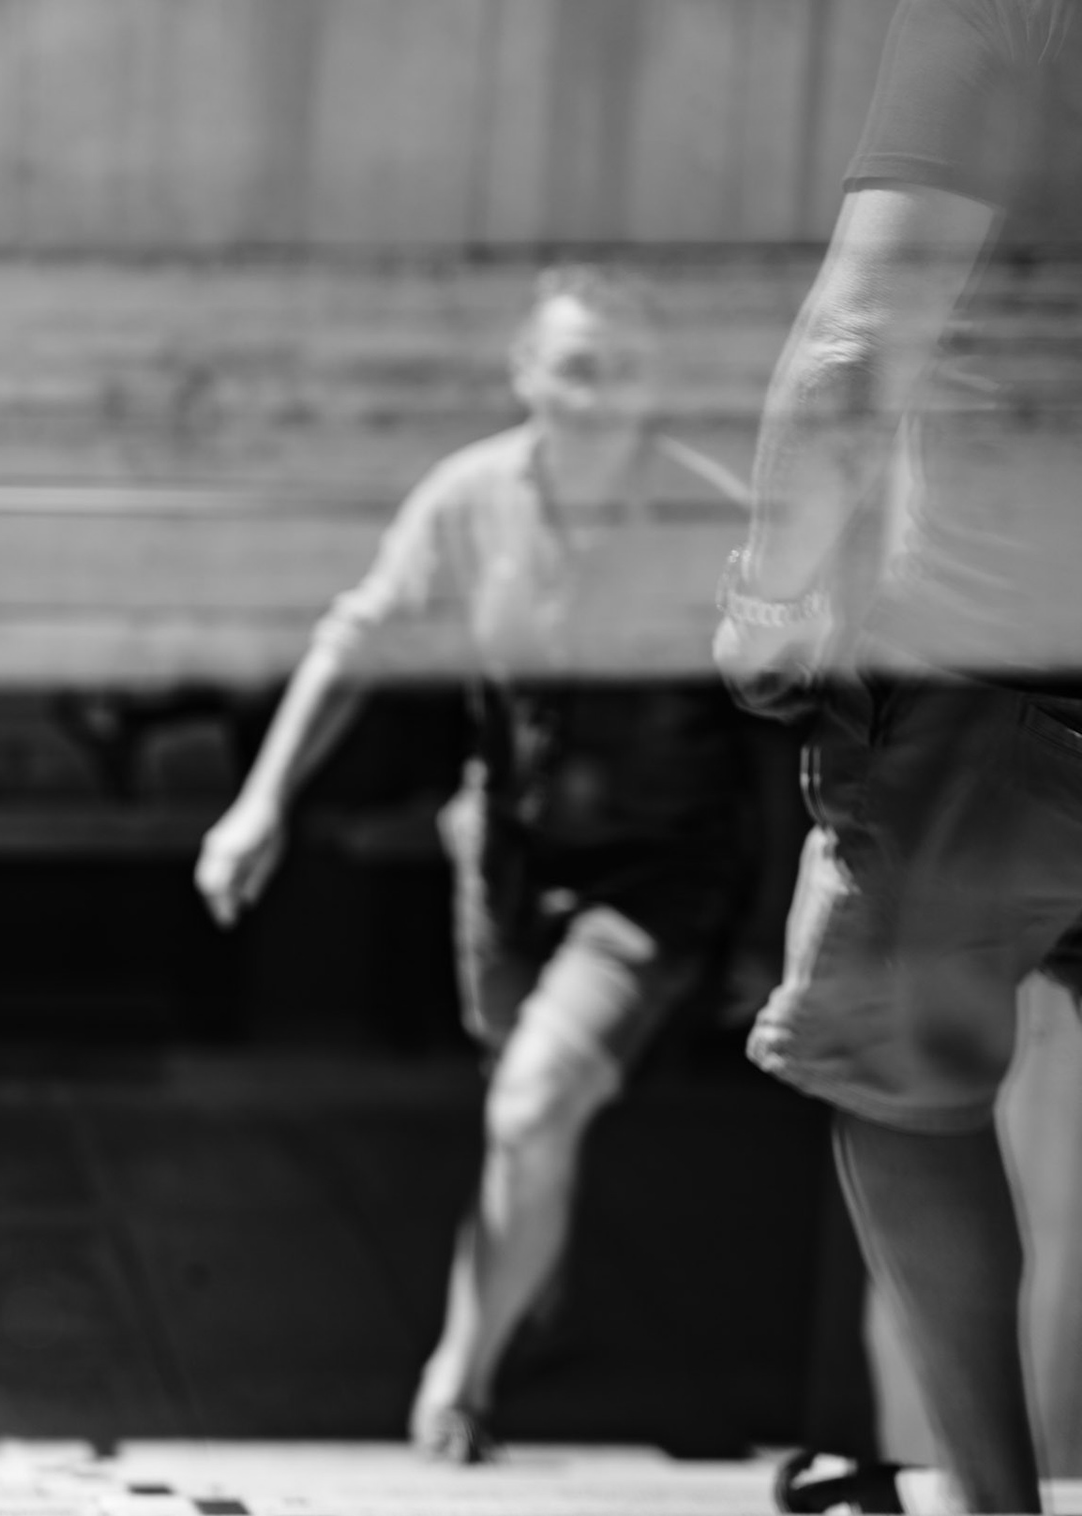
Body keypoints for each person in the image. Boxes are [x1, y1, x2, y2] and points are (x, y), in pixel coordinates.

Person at [196, 265, 794, 1463]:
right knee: (524, 1108)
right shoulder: (468, 497)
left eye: (623, 370)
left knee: (530, 1102)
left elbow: (779, 742)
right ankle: (534, 1290)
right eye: (575, 366)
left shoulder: (712, 521)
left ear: (657, 387)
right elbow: (357, 640)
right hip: (508, 864)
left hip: (658, 879)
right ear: (526, 374)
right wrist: (260, 803)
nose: (597, 392)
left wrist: (775, 928)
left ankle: (460, 1377)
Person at [714, 2, 1082, 1510]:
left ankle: (995, 1502)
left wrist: (767, 600)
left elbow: (857, 346)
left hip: (995, 681)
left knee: (902, 1080)